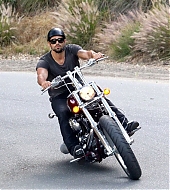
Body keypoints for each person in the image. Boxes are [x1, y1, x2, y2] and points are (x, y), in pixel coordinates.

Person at [36, 28, 139, 159]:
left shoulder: (71, 49)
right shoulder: (45, 60)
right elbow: (41, 74)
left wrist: (93, 55)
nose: (57, 43)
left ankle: (124, 124)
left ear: (64, 41)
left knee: (99, 96)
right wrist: (44, 82)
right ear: (49, 44)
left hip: (79, 89)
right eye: (53, 41)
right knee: (63, 113)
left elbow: (85, 53)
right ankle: (74, 147)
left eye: (60, 40)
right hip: (60, 96)